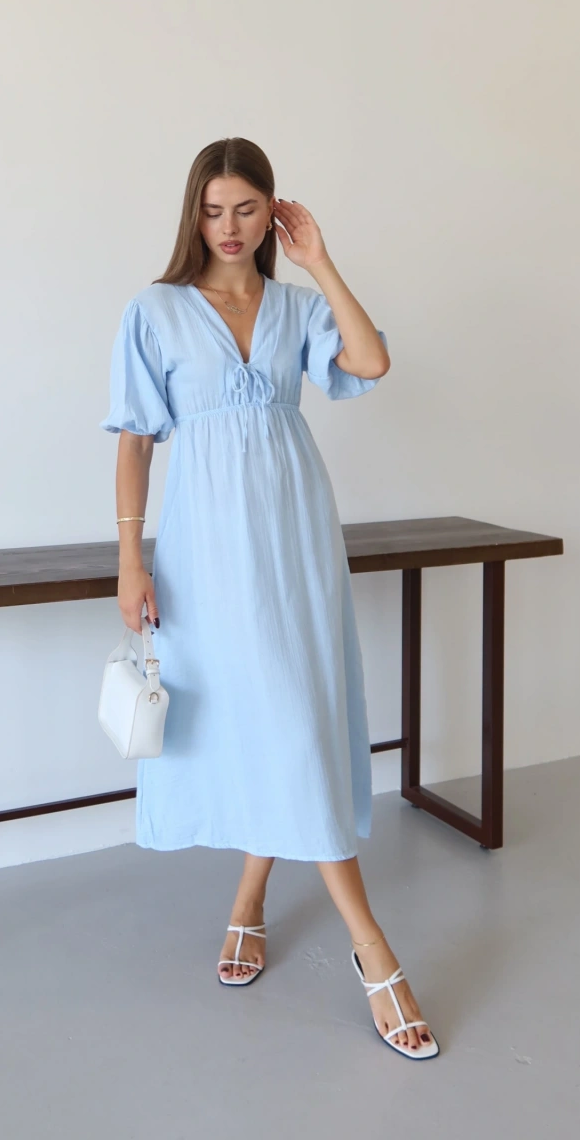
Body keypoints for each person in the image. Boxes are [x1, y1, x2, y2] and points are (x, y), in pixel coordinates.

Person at [100, 137, 438, 1060]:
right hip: (207, 553)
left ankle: (251, 898)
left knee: (295, 715)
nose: (229, 226)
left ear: (272, 212)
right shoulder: (156, 311)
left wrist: (320, 261)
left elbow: (370, 362)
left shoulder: (295, 308)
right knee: (270, 718)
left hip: (297, 541)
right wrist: (130, 561)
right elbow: (134, 441)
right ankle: (373, 949)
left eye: (246, 208)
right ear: (193, 214)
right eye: (213, 210)